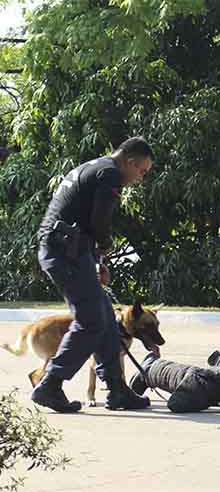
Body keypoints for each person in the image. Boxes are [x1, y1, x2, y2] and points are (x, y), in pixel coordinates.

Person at [32, 137, 154, 413]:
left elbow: (85, 220)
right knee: (91, 321)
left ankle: (117, 390)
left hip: (70, 251)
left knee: (106, 318)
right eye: (142, 171)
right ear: (130, 162)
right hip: (65, 254)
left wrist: (97, 262)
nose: (141, 178)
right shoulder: (110, 174)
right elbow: (100, 221)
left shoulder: (96, 168)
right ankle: (50, 385)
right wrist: (105, 245)